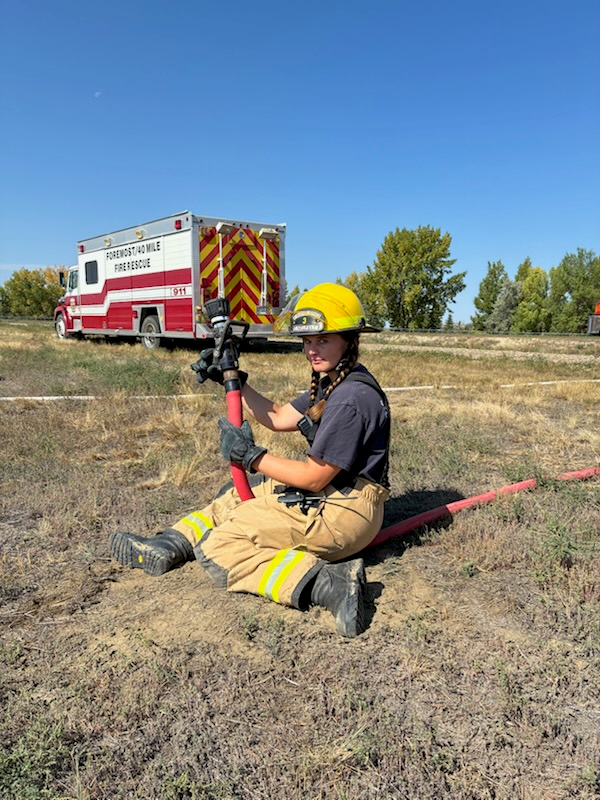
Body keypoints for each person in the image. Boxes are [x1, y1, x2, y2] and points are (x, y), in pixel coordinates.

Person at [109, 283, 391, 637]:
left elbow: (314, 477)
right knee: (234, 495)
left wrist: (252, 457)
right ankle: (169, 544)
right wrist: (233, 380)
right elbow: (275, 416)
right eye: (307, 342)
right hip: (335, 496)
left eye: (323, 340)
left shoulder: (351, 397)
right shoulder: (336, 380)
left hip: (343, 512)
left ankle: (329, 583)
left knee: (219, 546)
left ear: (349, 339)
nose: (312, 351)